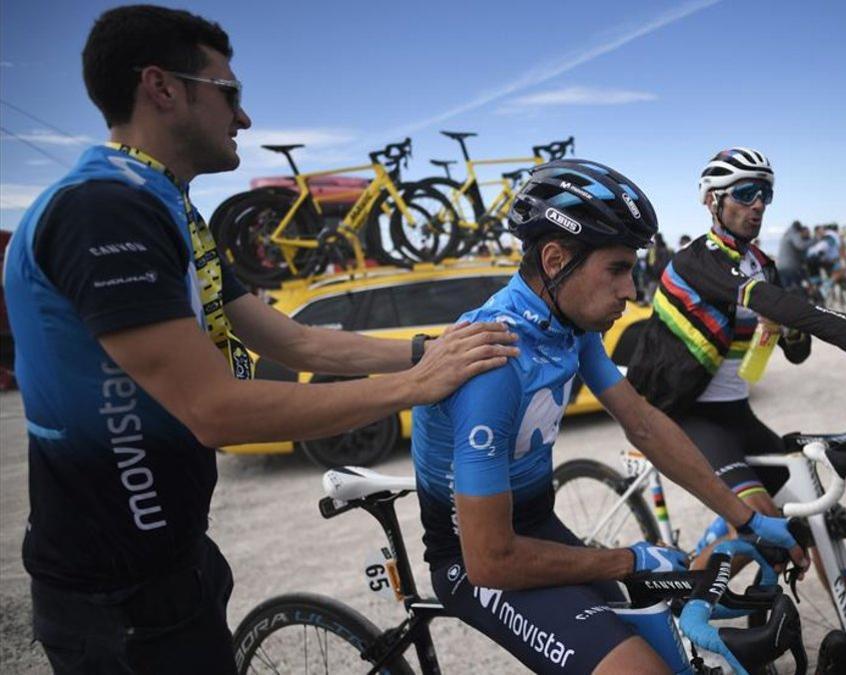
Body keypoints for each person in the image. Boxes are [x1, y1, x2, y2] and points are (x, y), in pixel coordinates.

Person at [2, 6, 518, 673]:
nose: (242, 118)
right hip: (115, 593)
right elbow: (213, 408)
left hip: (175, 558)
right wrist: (416, 387)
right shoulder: (104, 209)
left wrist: (432, 349)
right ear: (162, 88)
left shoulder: (164, 203)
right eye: (229, 94)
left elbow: (302, 345)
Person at [409, 158, 804, 674]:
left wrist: (744, 515)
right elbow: (490, 560)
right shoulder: (494, 361)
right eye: (617, 269)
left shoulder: (568, 326)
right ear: (554, 260)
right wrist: (628, 559)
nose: (632, 291)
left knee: (674, 636)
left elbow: (641, 422)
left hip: (536, 530)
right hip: (476, 560)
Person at [625, 147, 846, 549]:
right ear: (713, 200)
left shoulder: (761, 264)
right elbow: (776, 302)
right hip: (688, 415)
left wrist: (787, 331)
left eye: (765, 192)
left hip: (738, 413)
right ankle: (691, 610)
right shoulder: (696, 260)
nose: (758, 203)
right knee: (759, 521)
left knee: (810, 521)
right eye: (745, 192)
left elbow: (798, 350)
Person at [776, 220, 811, 291]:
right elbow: (800, 245)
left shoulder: (786, 234)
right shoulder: (793, 234)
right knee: (797, 289)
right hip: (791, 268)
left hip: (782, 267)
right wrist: (815, 240)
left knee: (785, 290)